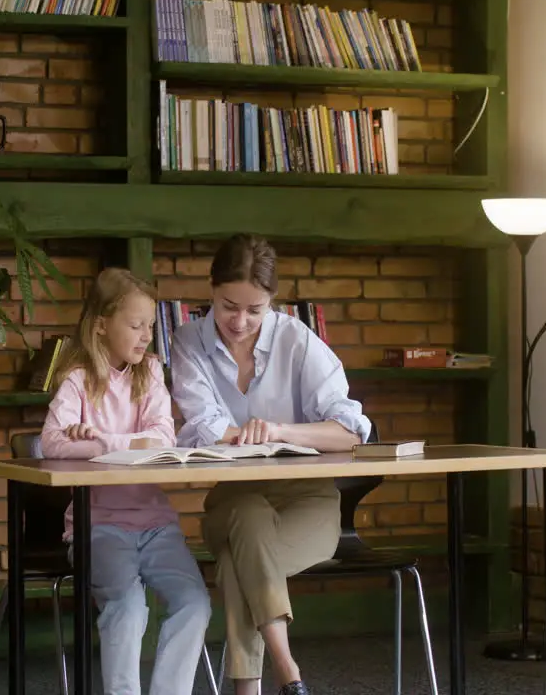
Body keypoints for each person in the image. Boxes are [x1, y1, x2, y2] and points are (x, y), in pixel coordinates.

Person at [170, 235, 371, 695]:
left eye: (255, 310)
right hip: (232, 499)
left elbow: (350, 429)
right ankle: (290, 673)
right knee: (247, 520)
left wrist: (280, 431)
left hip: (310, 501)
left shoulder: (297, 339)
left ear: (272, 303)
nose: (240, 322)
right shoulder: (187, 342)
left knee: (239, 563)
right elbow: (206, 424)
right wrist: (241, 434)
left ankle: (251, 690)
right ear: (211, 291)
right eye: (228, 306)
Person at [41, 267, 212, 695]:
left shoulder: (151, 372)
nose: (145, 336)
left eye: (150, 326)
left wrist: (99, 440)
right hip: (97, 526)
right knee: (129, 606)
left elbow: (162, 440)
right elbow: (51, 445)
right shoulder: (77, 381)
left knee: (195, 603)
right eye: (135, 326)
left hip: (156, 524)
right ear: (101, 325)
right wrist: (120, 445)